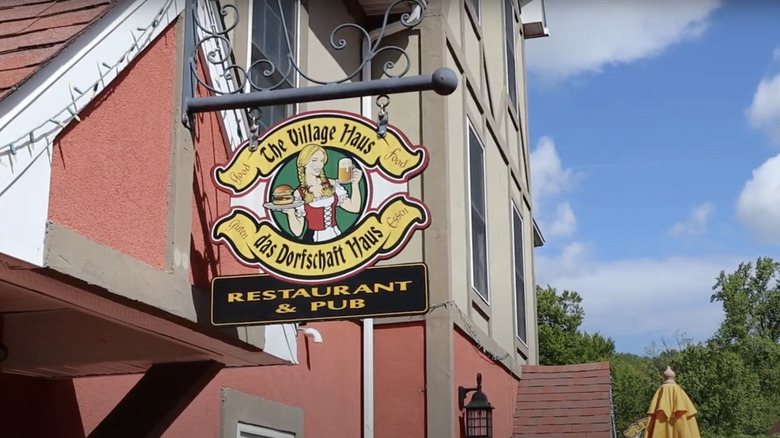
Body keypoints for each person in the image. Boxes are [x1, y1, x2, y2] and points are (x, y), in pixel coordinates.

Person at [283, 144, 363, 243]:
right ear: (304, 163)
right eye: (314, 160)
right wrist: (291, 214)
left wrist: (355, 184)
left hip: (336, 236)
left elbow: (354, 208)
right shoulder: (299, 194)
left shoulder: (331, 184)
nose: (319, 165)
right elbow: (298, 232)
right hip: (313, 240)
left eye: (321, 161)